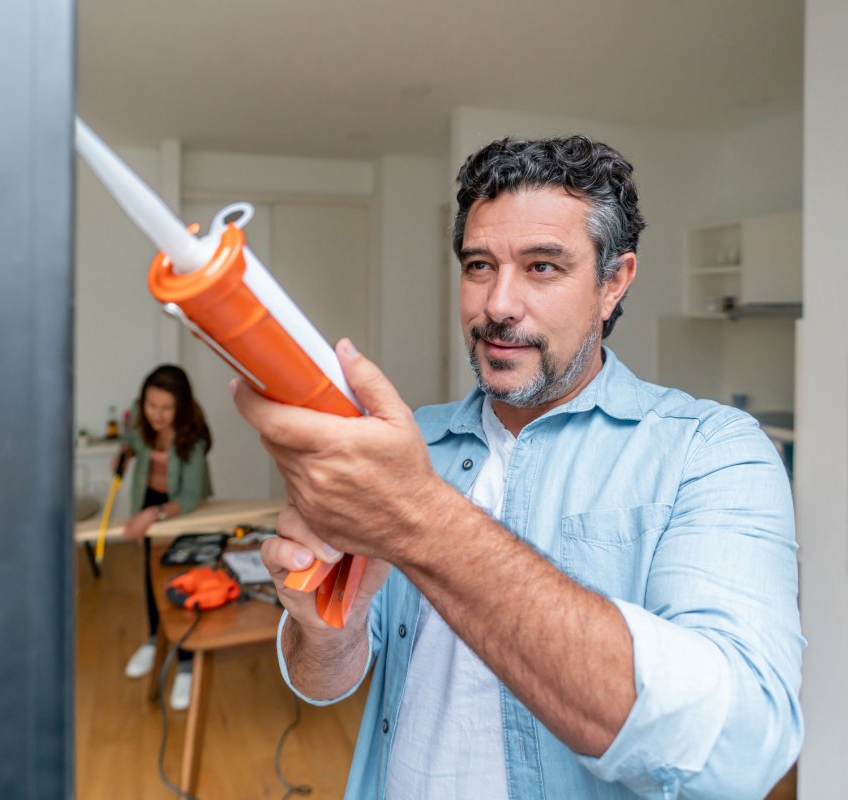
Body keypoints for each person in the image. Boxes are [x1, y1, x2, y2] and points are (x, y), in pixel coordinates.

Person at [232, 136, 804, 798]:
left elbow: (739, 751)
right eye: (479, 265)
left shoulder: (711, 452)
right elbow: (323, 682)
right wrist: (325, 624)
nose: (498, 305)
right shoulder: (410, 445)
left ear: (613, 283)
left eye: (541, 267)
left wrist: (420, 519)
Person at [117, 364, 213, 710]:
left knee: (181, 581)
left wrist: (153, 515)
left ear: (182, 407)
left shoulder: (194, 438)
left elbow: (189, 497)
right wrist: (125, 452)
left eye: (166, 408)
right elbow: (131, 441)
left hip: (181, 510)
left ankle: (186, 662)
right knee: (149, 576)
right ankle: (153, 639)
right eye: (150, 405)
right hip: (149, 502)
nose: (156, 415)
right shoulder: (142, 425)